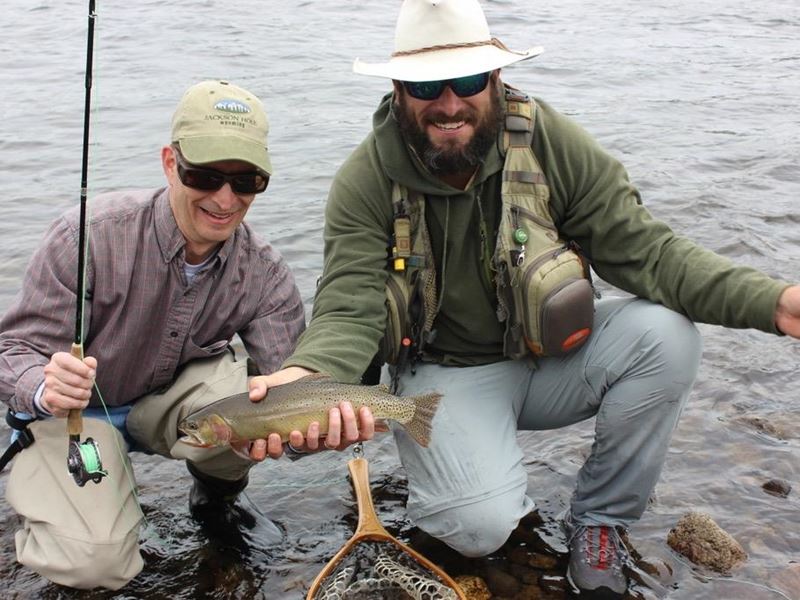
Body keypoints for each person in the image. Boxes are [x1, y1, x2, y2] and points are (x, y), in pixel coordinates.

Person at [246, 1, 800, 597]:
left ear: (496, 78)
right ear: (399, 89)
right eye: (427, 85)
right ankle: (471, 473)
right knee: (478, 529)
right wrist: (309, 377)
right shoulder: (366, 178)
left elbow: (650, 253)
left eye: (467, 80)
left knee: (667, 335)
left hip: (551, 357)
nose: (449, 103)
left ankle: (601, 521)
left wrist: (776, 302)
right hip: (445, 380)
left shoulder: (548, 142)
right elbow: (349, 304)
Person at [0, 80, 314, 590]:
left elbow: (290, 391)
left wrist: (316, 434)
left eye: (246, 181)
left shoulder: (264, 270)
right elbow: (11, 350)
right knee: (97, 564)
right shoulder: (88, 236)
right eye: (205, 175)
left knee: (252, 404)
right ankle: (47, 523)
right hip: (73, 414)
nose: (224, 198)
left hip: (173, 408)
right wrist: (42, 386)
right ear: (170, 162)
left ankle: (216, 496)